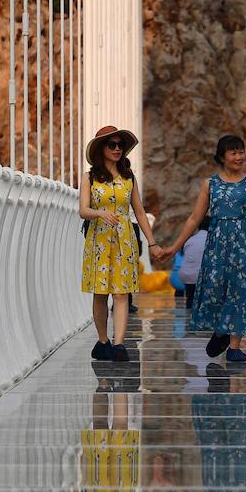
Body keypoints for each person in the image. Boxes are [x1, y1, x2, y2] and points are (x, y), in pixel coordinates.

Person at [155, 135, 246, 363]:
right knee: (216, 289)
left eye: (241, 152)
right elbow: (194, 218)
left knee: (241, 291)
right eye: (233, 153)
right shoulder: (210, 184)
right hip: (217, 245)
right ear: (221, 157)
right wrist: (174, 247)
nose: (239, 157)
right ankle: (221, 332)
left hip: (245, 246)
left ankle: (234, 346)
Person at [80, 125, 160, 362]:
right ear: (101, 149)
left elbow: (140, 212)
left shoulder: (129, 178)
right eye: (111, 144)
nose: (117, 149)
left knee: (122, 293)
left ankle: (118, 344)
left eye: (120, 145)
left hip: (125, 240)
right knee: (100, 293)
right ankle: (103, 340)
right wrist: (100, 213)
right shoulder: (89, 178)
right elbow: (83, 211)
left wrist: (152, 242)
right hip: (99, 241)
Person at [176, 216, 210, 309]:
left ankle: (189, 309)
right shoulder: (211, 240)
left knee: (190, 297)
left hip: (186, 275)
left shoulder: (190, 240)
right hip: (201, 276)